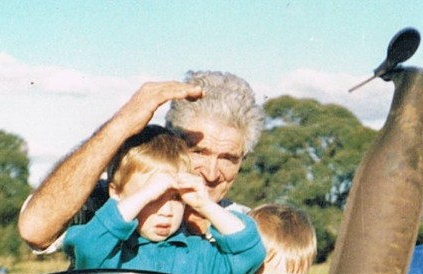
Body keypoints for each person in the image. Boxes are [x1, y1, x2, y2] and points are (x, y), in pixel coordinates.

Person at [62, 127, 265, 274]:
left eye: (176, 198)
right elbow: (88, 244)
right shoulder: (106, 254)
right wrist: (145, 194)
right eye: (153, 198)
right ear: (115, 192)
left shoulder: (198, 259)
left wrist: (204, 203)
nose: (166, 211)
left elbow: (250, 251)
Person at [18, 72, 264, 252]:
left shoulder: (248, 228)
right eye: (198, 151)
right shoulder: (113, 202)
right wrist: (121, 126)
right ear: (171, 145)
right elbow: (34, 230)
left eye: (228, 158)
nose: (211, 174)